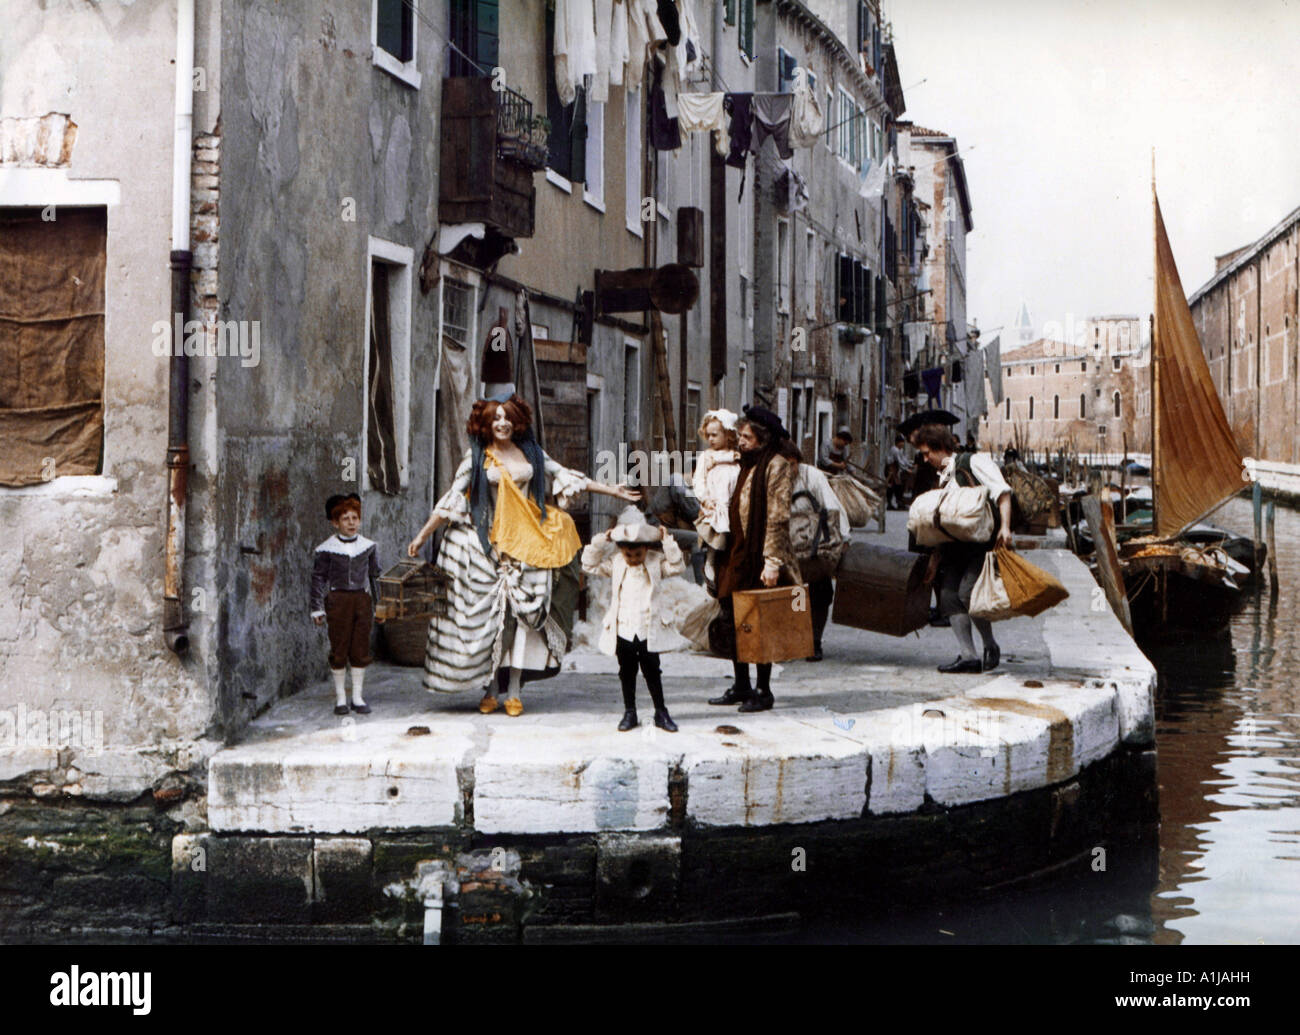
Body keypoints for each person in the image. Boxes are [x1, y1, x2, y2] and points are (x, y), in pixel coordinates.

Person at [408, 393, 639, 716]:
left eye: (507, 417)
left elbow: (566, 475)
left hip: (531, 540)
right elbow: (452, 498)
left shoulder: (530, 452)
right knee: (494, 619)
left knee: (523, 621)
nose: (502, 423)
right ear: (485, 424)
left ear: (516, 421)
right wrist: (422, 536)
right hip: (489, 544)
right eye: (495, 418)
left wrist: (612, 490)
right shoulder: (476, 457)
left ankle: (514, 690)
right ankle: (490, 688)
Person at [709, 405, 801, 712]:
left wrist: (772, 562)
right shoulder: (746, 463)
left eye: (747, 436)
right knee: (734, 617)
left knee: (760, 622)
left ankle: (763, 691)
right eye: (740, 435)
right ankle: (741, 684)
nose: (741, 441)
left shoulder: (776, 467)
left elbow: (778, 517)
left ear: (762, 439)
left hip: (760, 554)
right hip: (737, 551)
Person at [913, 425, 1014, 673]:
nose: (925, 460)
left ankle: (990, 645)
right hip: (955, 547)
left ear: (941, 448)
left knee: (968, 594)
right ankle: (968, 656)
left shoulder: (974, 462)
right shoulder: (943, 478)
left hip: (983, 542)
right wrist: (935, 560)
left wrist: (1006, 527)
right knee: (948, 597)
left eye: (927, 453)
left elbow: (1002, 492)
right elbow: (944, 523)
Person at [581, 507, 689, 733]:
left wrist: (668, 542)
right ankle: (630, 712)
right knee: (626, 671)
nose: (632, 559)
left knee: (652, 671)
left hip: (647, 626)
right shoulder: (616, 563)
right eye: (628, 555)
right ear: (620, 551)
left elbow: (678, 566)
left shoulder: (655, 562)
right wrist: (603, 540)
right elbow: (588, 564)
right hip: (623, 627)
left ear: (647, 548)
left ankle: (661, 711)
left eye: (637, 554)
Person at [311, 493, 381, 715]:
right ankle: (341, 698)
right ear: (335, 523)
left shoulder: (368, 546)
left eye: (355, 518)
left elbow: (374, 576)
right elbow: (318, 579)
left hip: (361, 600)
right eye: (345, 519)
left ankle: (357, 697)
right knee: (339, 647)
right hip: (337, 601)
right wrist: (316, 608)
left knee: (360, 647)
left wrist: (379, 605)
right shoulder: (326, 549)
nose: (351, 523)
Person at [792, 461, 849, 661]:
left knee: (819, 592)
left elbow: (832, 505)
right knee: (796, 592)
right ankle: (800, 638)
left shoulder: (812, 476)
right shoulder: (773, 476)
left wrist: (843, 536)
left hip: (814, 541)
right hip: (789, 544)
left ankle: (815, 640)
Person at [691, 408, 741, 591]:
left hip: (732, 502)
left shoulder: (736, 456)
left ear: (727, 435)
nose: (710, 439)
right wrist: (704, 498)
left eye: (715, 435)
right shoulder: (706, 457)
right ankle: (710, 565)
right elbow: (698, 480)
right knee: (716, 538)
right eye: (708, 435)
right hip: (715, 503)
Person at [885, 433, 915, 510]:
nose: (903, 444)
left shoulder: (900, 450)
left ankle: (898, 502)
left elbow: (903, 460)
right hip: (890, 470)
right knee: (892, 486)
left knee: (897, 486)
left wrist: (910, 464)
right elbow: (899, 462)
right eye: (901, 442)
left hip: (895, 470)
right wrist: (906, 469)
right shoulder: (894, 450)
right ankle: (891, 503)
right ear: (898, 442)